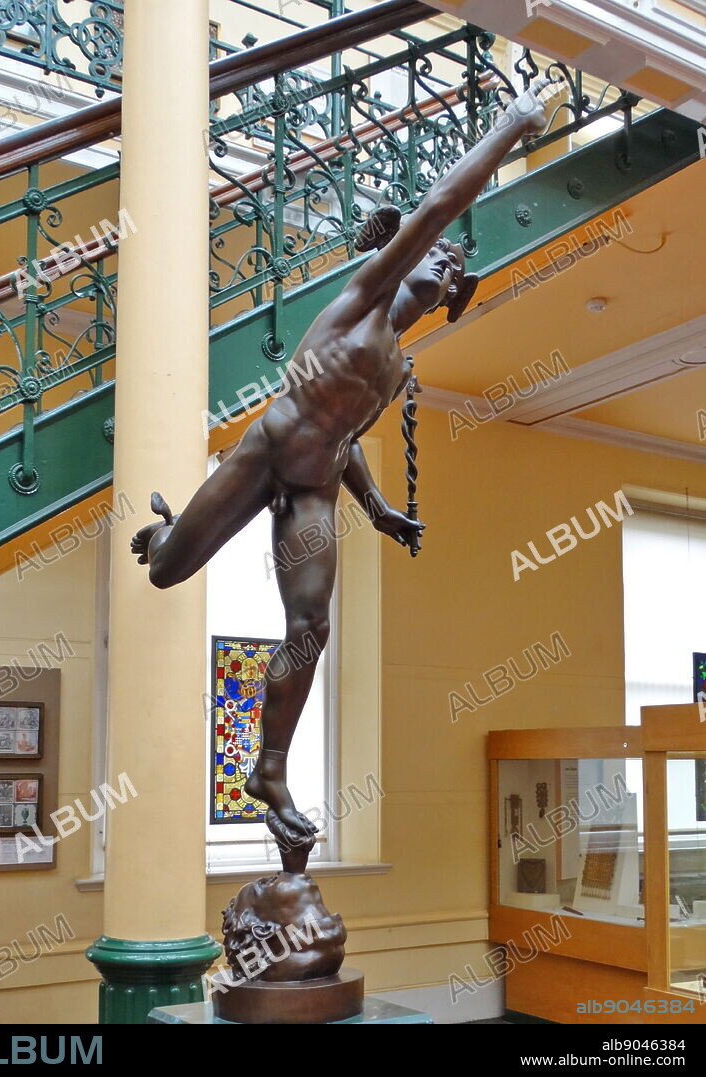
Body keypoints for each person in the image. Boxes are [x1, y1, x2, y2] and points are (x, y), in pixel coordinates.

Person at [132, 80, 552, 841]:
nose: (446, 272)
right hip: (265, 454)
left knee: (311, 626)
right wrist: (511, 128)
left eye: (454, 275)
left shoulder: (395, 365)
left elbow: (349, 435)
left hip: (315, 490)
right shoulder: (361, 299)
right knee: (167, 572)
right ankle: (165, 535)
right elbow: (436, 209)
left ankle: (268, 766)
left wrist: (379, 507)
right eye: (441, 261)